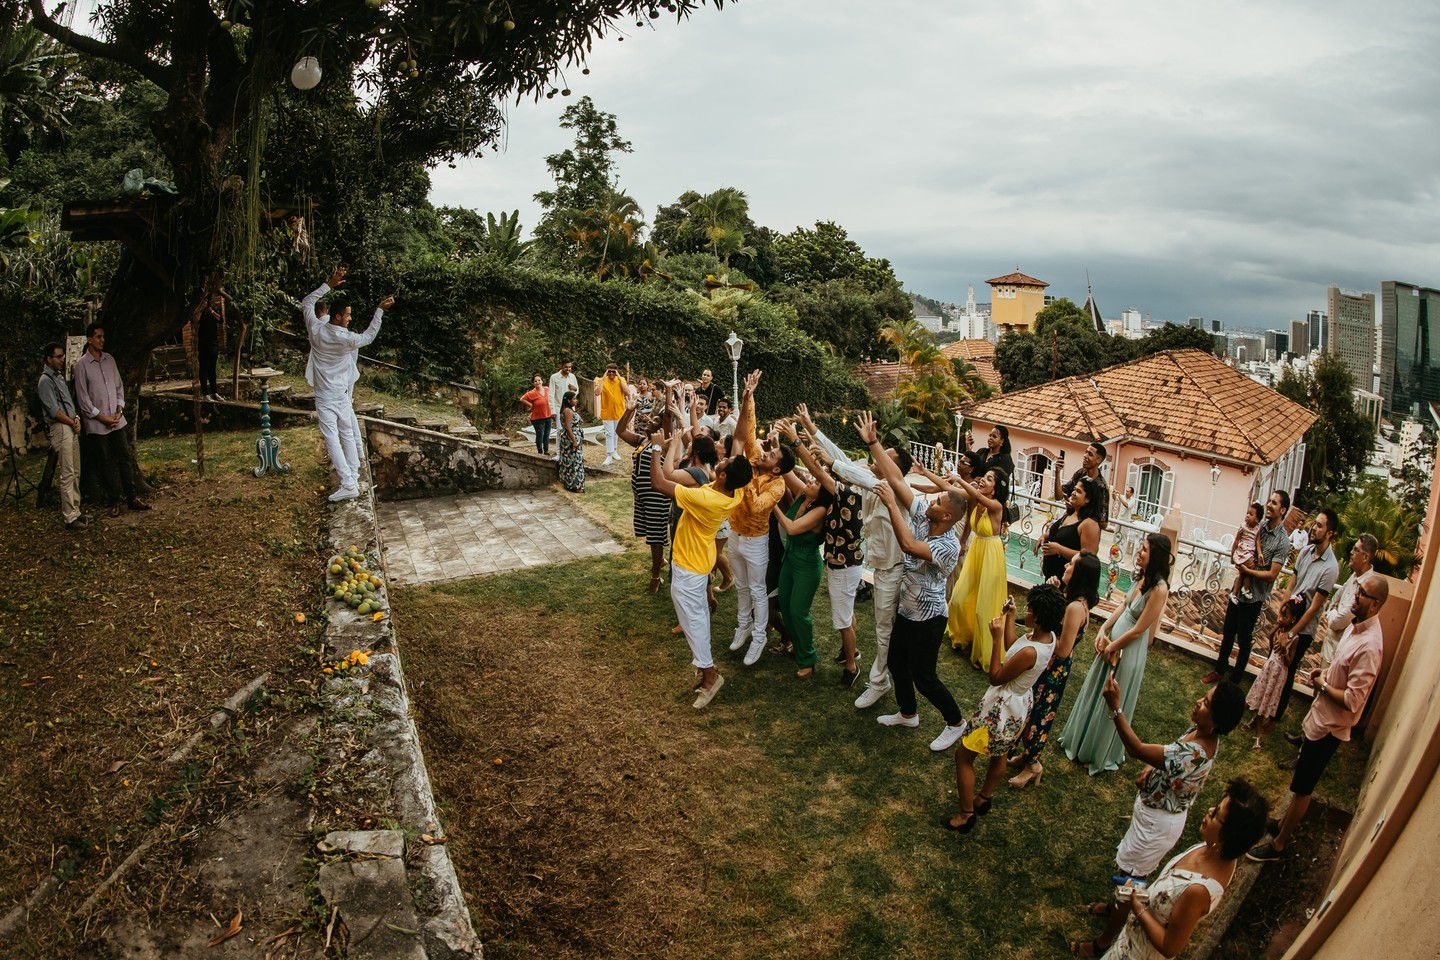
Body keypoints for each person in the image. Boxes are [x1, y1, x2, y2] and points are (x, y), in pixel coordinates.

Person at [1248, 573, 1388, 863]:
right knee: (1298, 783)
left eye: (1362, 593)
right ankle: (1281, 824)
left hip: (1330, 728)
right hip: (1320, 717)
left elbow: (1352, 700)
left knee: (1302, 789)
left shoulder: (1371, 646)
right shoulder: (1355, 628)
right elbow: (1341, 669)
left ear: (1375, 605)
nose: (1355, 595)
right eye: (1357, 589)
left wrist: (1322, 685)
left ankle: (1279, 845)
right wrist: (1323, 675)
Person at [1070, 780, 1269, 959]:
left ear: (1229, 835)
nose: (1209, 810)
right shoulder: (1211, 847)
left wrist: (1137, 906)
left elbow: (1170, 946)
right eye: (1215, 806)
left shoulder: (1199, 891)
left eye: (1216, 814)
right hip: (1129, 942)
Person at [799, 405, 915, 709]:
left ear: (896, 470)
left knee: (884, 629)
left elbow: (846, 467)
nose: (878, 461)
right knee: (885, 629)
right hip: (882, 570)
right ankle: (887, 677)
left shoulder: (895, 489)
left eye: (885, 458)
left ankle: (879, 682)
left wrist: (833, 464)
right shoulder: (871, 482)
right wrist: (813, 429)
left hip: (896, 570)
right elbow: (848, 461)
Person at [944, 584, 1066, 833]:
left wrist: (996, 637)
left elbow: (996, 675)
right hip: (1019, 705)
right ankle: (984, 798)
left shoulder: (1032, 651)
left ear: (1039, 619)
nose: (1026, 611)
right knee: (1001, 753)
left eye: (1029, 609)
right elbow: (1015, 648)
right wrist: (1010, 616)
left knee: (963, 756)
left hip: (1001, 708)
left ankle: (967, 814)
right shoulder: (1048, 638)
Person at [1104, 676, 1245, 887]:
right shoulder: (1200, 730)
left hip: (1157, 824)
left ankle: (1117, 913)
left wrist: (1115, 708)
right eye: (1203, 697)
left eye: (1206, 703)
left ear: (1217, 721)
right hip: (1152, 815)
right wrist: (1150, 767)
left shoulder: (1196, 753)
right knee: (1129, 869)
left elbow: (1136, 749)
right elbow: (1170, 753)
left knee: (1132, 879)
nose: (1198, 701)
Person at [648, 423, 752, 708]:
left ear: (722, 474)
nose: (723, 457)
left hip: (690, 565)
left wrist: (658, 447)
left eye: (726, 460)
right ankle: (703, 667)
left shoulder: (706, 497)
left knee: (692, 621)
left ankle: (709, 675)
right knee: (697, 618)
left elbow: (658, 483)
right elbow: (741, 439)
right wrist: (746, 398)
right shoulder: (736, 491)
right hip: (700, 558)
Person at [1059, 533, 1172, 775]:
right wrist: (1103, 628)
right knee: (1096, 689)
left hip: (1128, 650)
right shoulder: (1142, 577)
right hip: (1113, 641)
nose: (1139, 553)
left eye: (1144, 549)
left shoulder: (1160, 589)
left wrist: (1112, 646)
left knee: (1111, 696)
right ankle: (1080, 741)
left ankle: (1099, 753)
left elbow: (1139, 630)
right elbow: (1123, 605)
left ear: (1156, 556)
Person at [871, 474, 966, 752]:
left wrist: (891, 505)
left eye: (937, 500)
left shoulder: (949, 546)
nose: (930, 501)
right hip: (907, 610)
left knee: (925, 678)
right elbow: (900, 485)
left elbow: (909, 546)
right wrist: (873, 442)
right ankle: (908, 714)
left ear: (946, 515)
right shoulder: (928, 518)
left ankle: (956, 722)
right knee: (896, 662)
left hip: (929, 618)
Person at [1008, 550, 1104, 788]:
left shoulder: (1075, 608)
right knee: (1031, 711)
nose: (1066, 566)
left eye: (1071, 564)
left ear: (1079, 573)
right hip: (1049, 666)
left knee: (1038, 716)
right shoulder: (1071, 600)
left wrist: (1043, 629)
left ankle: (1033, 766)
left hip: (1053, 670)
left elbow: (1062, 649)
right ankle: (1027, 757)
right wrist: (1054, 592)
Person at [301, 268, 394, 502]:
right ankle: (351, 477)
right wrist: (379, 311)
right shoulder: (346, 340)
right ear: (338, 317)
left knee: (334, 437)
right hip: (340, 394)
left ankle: (349, 481)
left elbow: (307, 302)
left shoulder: (315, 330)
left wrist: (328, 285)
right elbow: (369, 336)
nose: (350, 318)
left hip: (325, 395)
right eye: (348, 315)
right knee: (343, 434)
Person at [788, 414, 866, 686]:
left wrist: (796, 442)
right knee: (848, 612)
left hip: (844, 566)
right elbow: (821, 468)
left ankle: (852, 666)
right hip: (846, 563)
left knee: (842, 619)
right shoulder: (848, 491)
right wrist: (811, 437)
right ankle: (850, 651)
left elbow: (820, 471)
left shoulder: (848, 493)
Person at [726, 370, 796, 667]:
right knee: (741, 586)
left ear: (778, 469)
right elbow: (746, 433)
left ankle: (759, 636)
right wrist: (748, 397)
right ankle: (742, 626)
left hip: (755, 541)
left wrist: (745, 476)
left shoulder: (777, 485)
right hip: (734, 531)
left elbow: (756, 507)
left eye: (772, 454)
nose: (766, 451)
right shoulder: (755, 458)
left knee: (757, 590)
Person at [1204, 490, 1291, 685]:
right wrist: (1237, 558)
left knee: (1244, 640)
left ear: (1283, 510)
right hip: (1239, 591)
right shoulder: (1257, 525)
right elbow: (1242, 542)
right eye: (1269, 501)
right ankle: (1219, 670)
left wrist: (1248, 572)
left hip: (1255, 596)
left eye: (1274, 503)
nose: (1269, 505)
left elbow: (1272, 575)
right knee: (1228, 632)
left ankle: (1234, 679)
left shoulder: (1282, 541)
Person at [72, 323, 151, 516]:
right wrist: (102, 417)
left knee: (124, 457)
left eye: (103, 337)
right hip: (97, 424)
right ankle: (114, 500)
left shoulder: (109, 360)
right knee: (106, 461)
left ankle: (132, 496)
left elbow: (118, 387)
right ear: (89, 339)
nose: (102, 340)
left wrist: (119, 410)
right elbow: (83, 399)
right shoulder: (81, 365)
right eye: (98, 337)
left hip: (117, 420)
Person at [1270, 508, 1340, 722]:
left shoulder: (1331, 568)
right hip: (1288, 618)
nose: (1313, 528)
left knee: (1287, 670)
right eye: (1314, 523)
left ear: (1329, 533)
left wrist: (1290, 634)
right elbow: (1291, 584)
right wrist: (1282, 617)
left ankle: (1275, 714)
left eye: (1319, 525)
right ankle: (1263, 701)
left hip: (1304, 629)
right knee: (1273, 659)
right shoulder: (1305, 552)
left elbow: (1313, 608)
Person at [769, 440, 830, 679]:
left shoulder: (820, 511)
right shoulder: (803, 495)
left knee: (798, 612)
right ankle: (795, 643)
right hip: (790, 560)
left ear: (821, 493)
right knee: (785, 605)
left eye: (815, 483)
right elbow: (786, 471)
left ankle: (808, 658)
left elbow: (792, 529)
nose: (809, 482)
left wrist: (772, 504)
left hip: (807, 565)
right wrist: (777, 445)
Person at [942, 463, 1010, 669]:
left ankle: (985, 653)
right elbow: (951, 490)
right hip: (977, 551)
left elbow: (976, 495)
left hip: (991, 554)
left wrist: (958, 478)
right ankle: (962, 635)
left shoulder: (996, 506)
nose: (983, 480)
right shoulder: (975, 498)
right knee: (959, 599)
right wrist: (925, 473)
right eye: (985, 477)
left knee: (984, 608)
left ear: (996, 489)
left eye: (989, 479)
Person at [617, 393, 668, 593]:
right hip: (641, 495)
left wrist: (670, 394)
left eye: (655, 421)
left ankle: (655, 577)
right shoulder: (642, 441)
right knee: (650, 534)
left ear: (661, 427)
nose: (648, 421)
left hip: (656, 496)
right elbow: (620, 430)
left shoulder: (664, 444)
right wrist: (629, 409)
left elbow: (669, 418)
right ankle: (660, 560)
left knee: (656, 536)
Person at [1243, 596, 1308, 750]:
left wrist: (1285, 648)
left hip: (1278, 674)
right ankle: (1255, 724)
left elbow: (1289, 662)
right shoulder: (1279, 630)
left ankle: (1258, 734)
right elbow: (1272, 646)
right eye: (1280, 614)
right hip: (1269, 669)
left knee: (1266, 701)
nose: (1280, 618)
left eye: (1284, 616)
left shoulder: (1295, 639)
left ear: (1293, 619)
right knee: (1260, 696)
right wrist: (1274, 630)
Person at [37, 342, 87, 530]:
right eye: (58, 356)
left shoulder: (58, 378)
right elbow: (53, 410)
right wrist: (70, 421)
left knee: (75, 469)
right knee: (67, 471)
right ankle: (69, 516)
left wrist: (75, 418)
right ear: (49, 359)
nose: (61, 359)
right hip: (60, 426)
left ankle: (76, 509)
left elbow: (67, 403)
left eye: (62, 356)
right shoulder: (45, 381)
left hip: (70, 424)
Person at [1318, 534, 1377, 665]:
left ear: (1366, 557)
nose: (1351, 552)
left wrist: (1333, 612)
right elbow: (1334, 599)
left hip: (1339, 657)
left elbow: (1338, 621)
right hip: (1329, 648)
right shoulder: (1354, 576)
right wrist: (1333, 610)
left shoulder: (1366, 586)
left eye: (1356, 550)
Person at [1038, 475, 1103, 582]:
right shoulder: (1070, 513)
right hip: (1051, 580)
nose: (1073, 493)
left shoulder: (1089, 524)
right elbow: (1064, 535)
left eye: (1078, 491)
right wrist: (1045, 536)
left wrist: (1059, 550)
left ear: (1088, 499)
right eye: (1074, 489)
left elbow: (1088, 559)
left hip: (1066, 584)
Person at [1062, 440, 1111, 531]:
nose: (1085, 456)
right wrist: (1057, 472)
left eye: (1090, 454)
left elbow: (1103, 523)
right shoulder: (1081, 473)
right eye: (1086, 452)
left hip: (1085, 532)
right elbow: (1060, 494)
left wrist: (1078, 508)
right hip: (1069, 523)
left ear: (1098, 460)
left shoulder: (1102, 488)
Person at [595, 362, 628, 466]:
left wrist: (618, 377)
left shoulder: (621, 380)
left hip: (619, 411)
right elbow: (597, 392)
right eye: (609, 371)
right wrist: (604, 378)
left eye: (613, 371)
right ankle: (609, 454)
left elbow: (626, 392)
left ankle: (614, 451)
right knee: (609, 433)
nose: (611, 373)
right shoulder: (602, 380)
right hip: (607, 412)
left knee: (616, 432)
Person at [548, 360, 579, 462]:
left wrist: (573, 388)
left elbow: (576, 391)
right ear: (561, 366)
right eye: (566, 367)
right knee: (560, 431)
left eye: (570, 367)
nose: (568, 369)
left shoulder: (572, 377)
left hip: (570, 409)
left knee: (572, 430)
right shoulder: (554, 377)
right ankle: (558, 453)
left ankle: (571, 451)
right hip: (558, 408)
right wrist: (552, 410)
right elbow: (551, 394)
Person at [557, 391, 585, 492]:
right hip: (571, 438)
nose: (576, 400)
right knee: (574, 461)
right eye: (574, 399)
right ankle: (576, 486)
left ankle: (569, 484)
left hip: (569, 437)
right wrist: (574, 441)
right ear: (569, 400)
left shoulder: (566, 409)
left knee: (569, 460)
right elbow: (568, 427)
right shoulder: (568, 411)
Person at [198, 294, 224, 401]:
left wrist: (212, 311)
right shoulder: (199, 311)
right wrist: (201, 309)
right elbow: (195, 320)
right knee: (203, 369)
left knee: (212, 370)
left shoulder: (214, 309)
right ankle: (205, 394)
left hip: (213, 343)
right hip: (203, 344)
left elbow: (220, 320)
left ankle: (214, 392)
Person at [520, 374, 553, 455]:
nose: (537, 382)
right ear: (533, 383)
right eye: (535, 381)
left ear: (542, 381)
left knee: (547, 434)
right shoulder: (531, 393)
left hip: (548, 415)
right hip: (537, 418)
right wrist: (530, 405)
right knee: (540, 434)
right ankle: (539, 451)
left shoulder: (547, 389)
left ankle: (546, 451)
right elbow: (522, 399)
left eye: (539, 380)